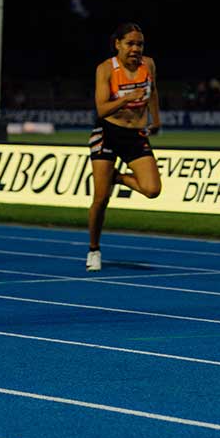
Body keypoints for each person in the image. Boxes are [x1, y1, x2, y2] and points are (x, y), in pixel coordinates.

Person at [87, 23, 162, 271]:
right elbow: (102, 109)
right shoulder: (106, 69)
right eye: (130, 43)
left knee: (152, 189)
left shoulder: (148, 65)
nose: (135, 48)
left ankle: (116, 177)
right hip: (108, 132)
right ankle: (94, 250)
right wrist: (126, 99)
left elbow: (153, 92)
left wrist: (156, 119)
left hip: (135, 134)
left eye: (139, 44)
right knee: (101, 199)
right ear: (117, 44)